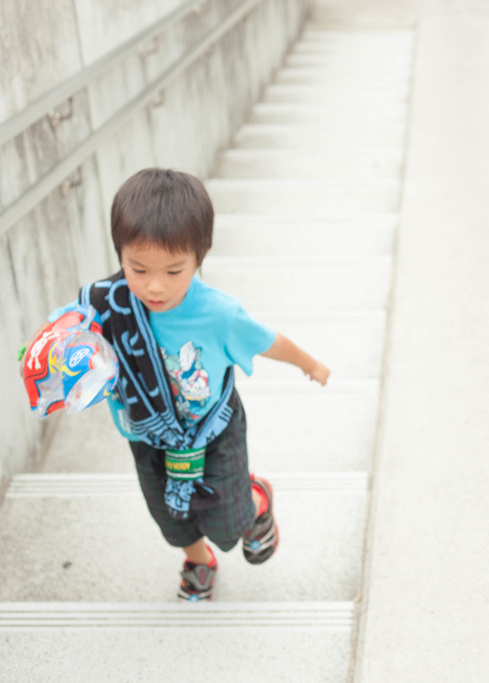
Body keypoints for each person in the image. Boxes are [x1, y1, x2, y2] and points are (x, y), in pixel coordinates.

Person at [51, 167, 329, 601]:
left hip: (213, 434)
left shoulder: (219, 314)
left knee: (227, 521)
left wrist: (309, 364)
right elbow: (63, 332)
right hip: (147, 436)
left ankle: (254, 500)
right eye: (137, 269)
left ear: (199, 258)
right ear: (120, 255)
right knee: (169, 518)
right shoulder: (109, 303)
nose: (155, 286)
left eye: (174, 271)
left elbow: (268, 341)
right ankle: (199, 562)